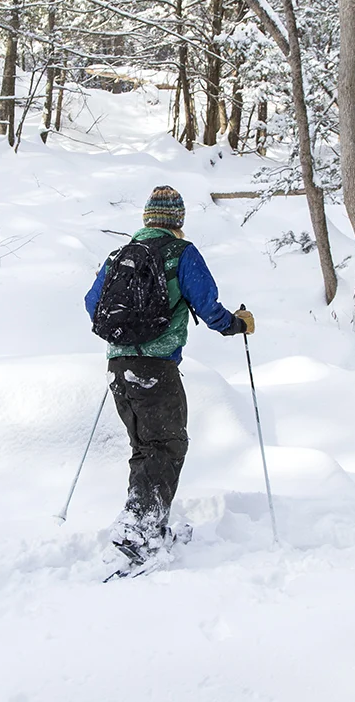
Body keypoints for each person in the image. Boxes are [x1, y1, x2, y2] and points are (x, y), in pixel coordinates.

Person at [84, 185, 254, 560]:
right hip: (156, 367)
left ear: (147, 219)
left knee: (145, 447)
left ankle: (148, 525)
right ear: (177, 221)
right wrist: (237, 325)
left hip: (118, 367)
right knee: (167, 445)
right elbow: (209, 309)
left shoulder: (118, 256)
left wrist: (127, 332)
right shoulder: (180, 253)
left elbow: (91, 304)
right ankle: (138, 529)